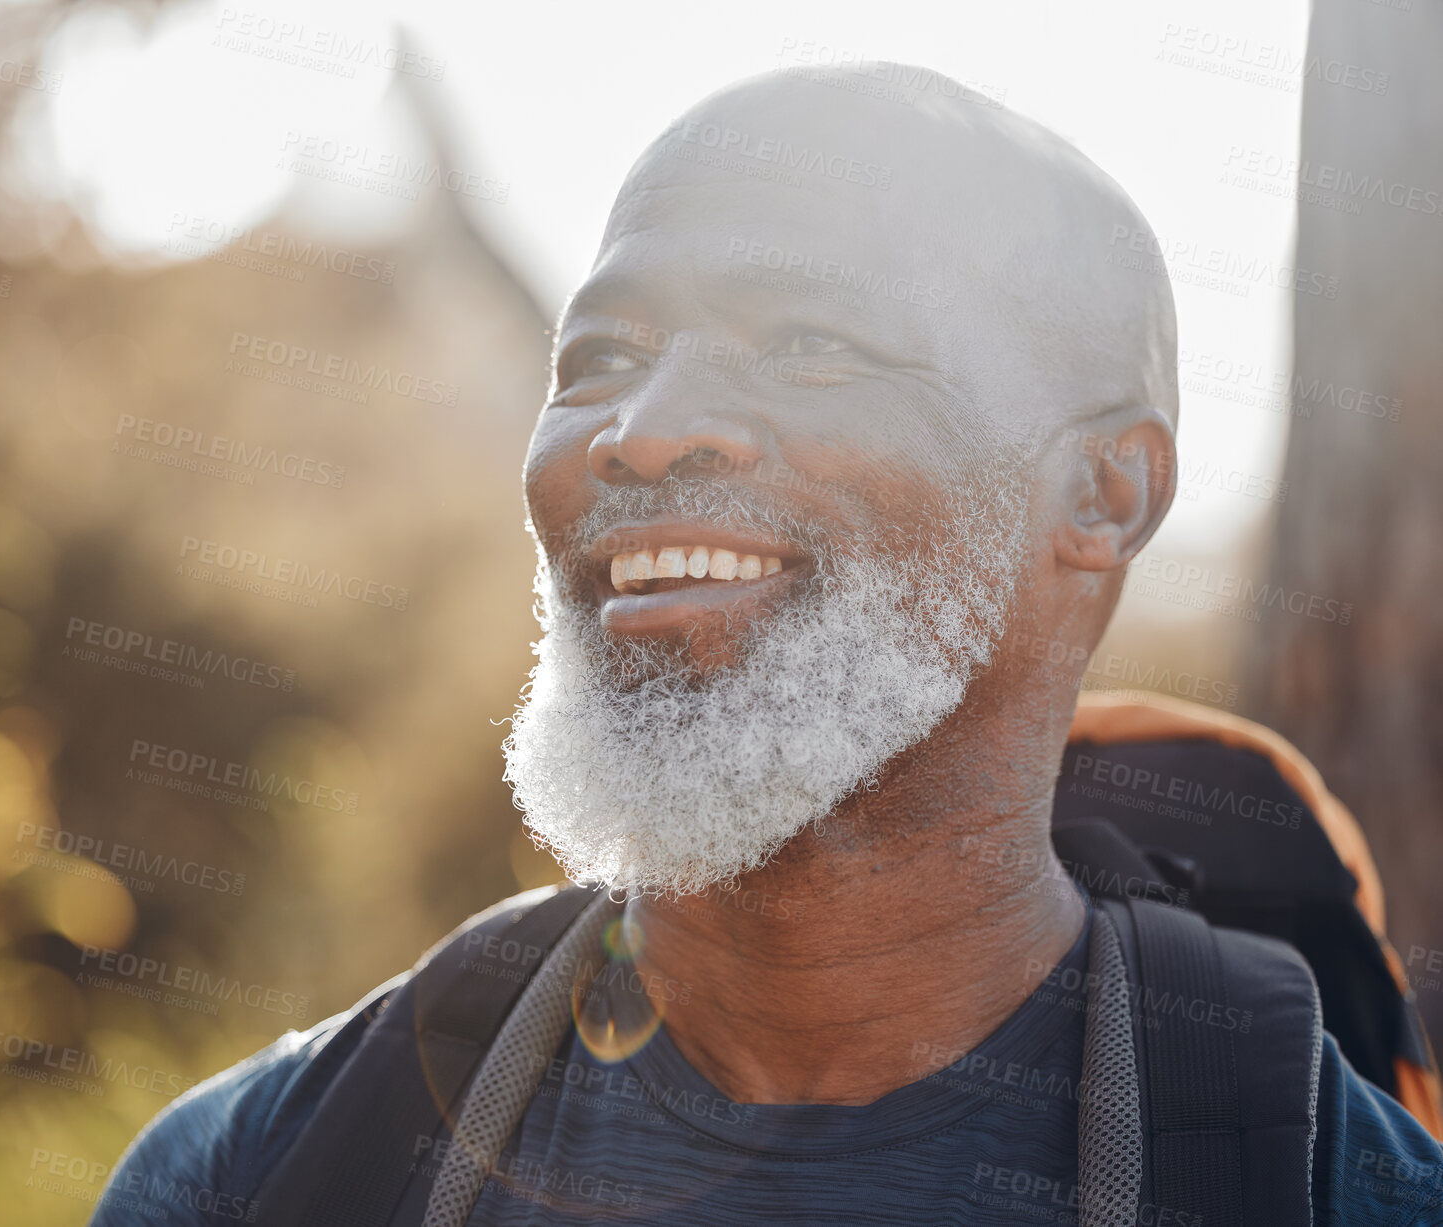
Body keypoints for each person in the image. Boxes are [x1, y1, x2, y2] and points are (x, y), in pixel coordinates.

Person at [90, 67, 1443, 1225]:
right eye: (599, 359)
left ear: (1101, 494)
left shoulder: (1342, 1190)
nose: (641, 428)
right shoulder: (257, 1171)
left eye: (809, 345)